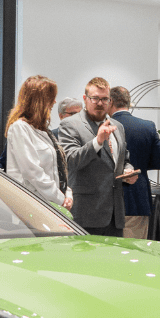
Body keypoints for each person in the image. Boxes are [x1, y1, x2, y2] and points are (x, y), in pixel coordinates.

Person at [56, 78, 130, 237]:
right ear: (85, 99)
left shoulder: (118, 127)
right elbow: (70, 161)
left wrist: (129, 171)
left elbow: (124, 159)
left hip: (114, 215)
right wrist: (98, 141)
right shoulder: (70, 124)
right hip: (86, 214)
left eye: (104, 99)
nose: (100, 103)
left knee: (113, 261)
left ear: (110, 101)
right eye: (95, 98)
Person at [108, 86, 160, 239]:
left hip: (107, 200)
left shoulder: (104, 127)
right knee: (135, 250)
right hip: (137, 197)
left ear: (111, 102)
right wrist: (139, 165)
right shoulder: (147, 126)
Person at [4, 76, 71, 208]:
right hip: (32, 206)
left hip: (51, 205)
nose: (54, 102)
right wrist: (60, 198)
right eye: (51, 98)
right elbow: (32, 172)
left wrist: (67, 194)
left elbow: (58, 169)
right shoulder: (20, 128)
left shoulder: (44, 131)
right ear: (39, 101)